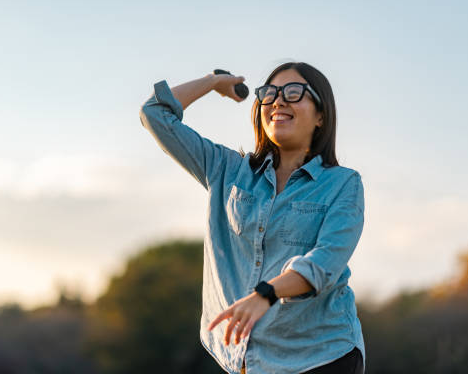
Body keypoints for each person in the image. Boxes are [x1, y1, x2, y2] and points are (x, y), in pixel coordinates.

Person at [139, 61, 366, 374]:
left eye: (294, 92)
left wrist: (266, 293)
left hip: (321, 356)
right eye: (269, 94)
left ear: (321, 116)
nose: (278, 101)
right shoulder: (227, 169)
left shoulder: (343, 183)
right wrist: (212, 82)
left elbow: (325, 262)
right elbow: (154, 114)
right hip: (247, 361)